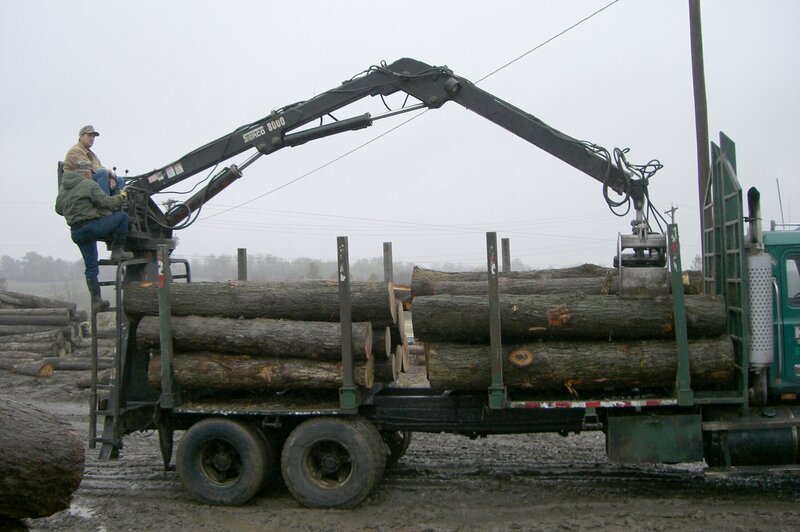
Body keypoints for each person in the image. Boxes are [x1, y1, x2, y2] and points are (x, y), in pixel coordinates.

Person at [55, 160, 133, 310]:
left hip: (76, 232)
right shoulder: (88, 184)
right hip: (91, 227)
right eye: (91, 173)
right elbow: (107, 204)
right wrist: (122, 196)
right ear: (86, 173)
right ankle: (117, 251)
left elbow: (59, 209)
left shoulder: (63, 189)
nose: (92, 175)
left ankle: (97, 300)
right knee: (122, 217)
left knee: (90, 267)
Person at [63, 125, 125, 195]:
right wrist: (108, 174)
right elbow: (87, 172)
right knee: (102, 173)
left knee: (120, 180)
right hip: (77, 183)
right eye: (89, 135)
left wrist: (112, 177)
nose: (92, 139)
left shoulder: (92, 154)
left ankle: (115, 203)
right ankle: (104, 203)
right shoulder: (75, 151)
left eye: (93, 137)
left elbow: (100, 168)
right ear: (81, 136)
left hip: (88, 181)